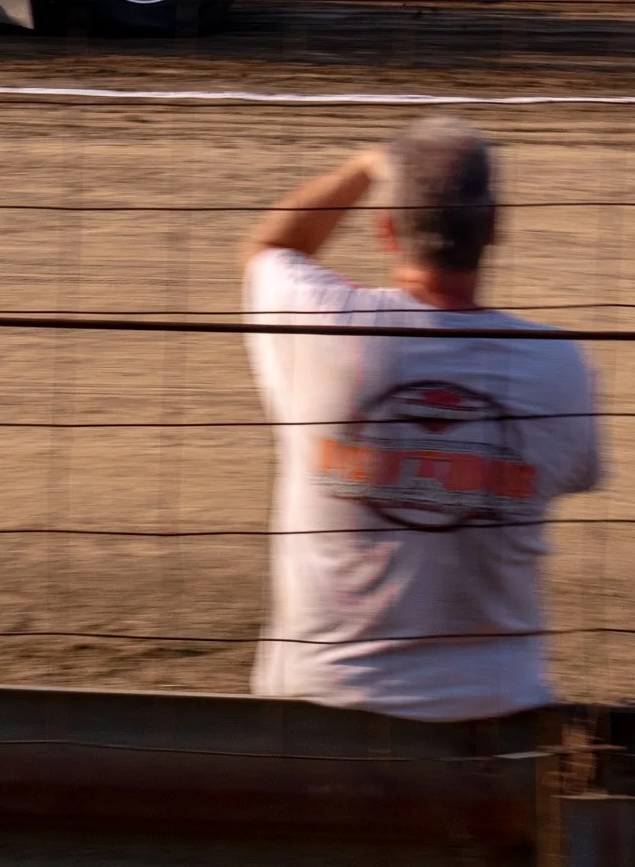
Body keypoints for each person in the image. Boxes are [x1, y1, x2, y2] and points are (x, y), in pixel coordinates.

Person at [241, 120, 602, 722]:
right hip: (497, 708)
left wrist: (363, 168)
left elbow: (269, 252)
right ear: (495, 227)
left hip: (321, 701)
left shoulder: (328, 327)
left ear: (385, 230)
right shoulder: (557, 363)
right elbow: (575, 473)